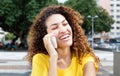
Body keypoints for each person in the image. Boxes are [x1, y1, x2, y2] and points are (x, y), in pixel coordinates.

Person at [27, 5, 100, 76]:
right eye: (55, 28)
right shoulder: (40, 59)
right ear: (46, 36)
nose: (63, 30)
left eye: (65, 24)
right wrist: (53, 57)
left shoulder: (85, 57)